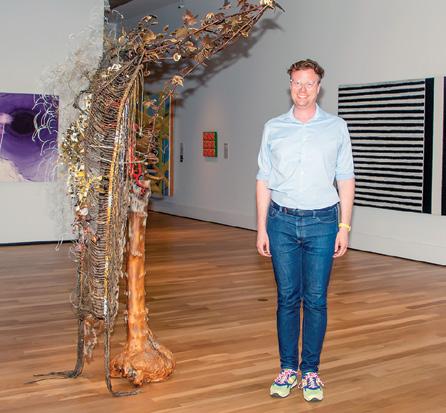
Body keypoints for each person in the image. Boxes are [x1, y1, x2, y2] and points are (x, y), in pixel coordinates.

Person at [256, 59, 355, 402]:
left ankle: (310, 371)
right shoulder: (273, 127)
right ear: (290, 86)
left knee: (315, 299)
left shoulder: (336, 127)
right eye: (297, 82)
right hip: (281, 222)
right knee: (287, 297)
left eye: (309, 83)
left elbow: (345, 178)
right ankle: (288, 368)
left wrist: (344, 226)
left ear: (318, 87)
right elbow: (263, 179)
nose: (302, 89)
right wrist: (261, 228)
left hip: (323, 223)